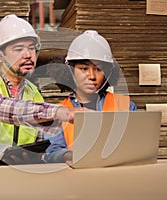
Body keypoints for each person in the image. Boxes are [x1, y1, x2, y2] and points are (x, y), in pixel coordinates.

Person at [0, 14, 84, 167]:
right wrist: (63, 112)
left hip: (16, 181)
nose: (28, 55)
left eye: (32, 49)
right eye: (18, 49)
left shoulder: (35, 94)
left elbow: (44, 141)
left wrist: (64, 154)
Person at [44, 30, 137, 163]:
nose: (92, 76)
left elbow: (136, 145)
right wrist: (76, 156)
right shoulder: (59, 111)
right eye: (84, 68)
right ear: (70, 71)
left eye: (98, 69)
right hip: (76, 178)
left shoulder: (126, 106)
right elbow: (52, 152)